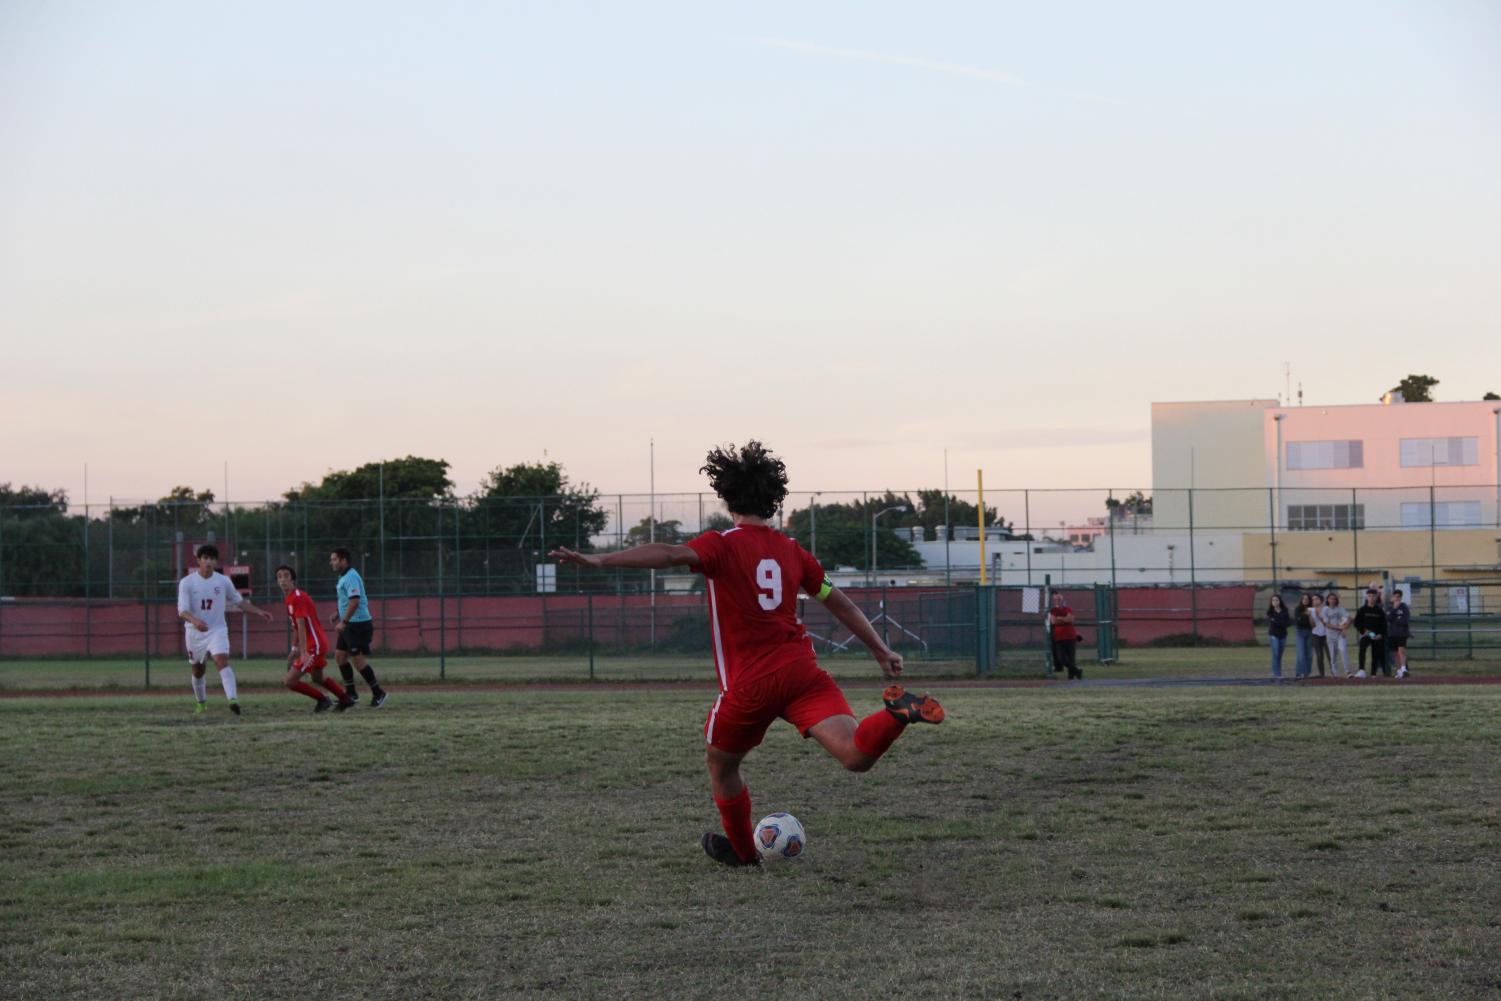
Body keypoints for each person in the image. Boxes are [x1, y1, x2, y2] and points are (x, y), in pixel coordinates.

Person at [548, 441, 944, 868]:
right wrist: (881, 650)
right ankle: (895, 714)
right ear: (772, 500)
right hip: (801, 674)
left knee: (721, 766)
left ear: (727, 496)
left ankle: (743, 853)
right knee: (854, 756)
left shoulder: (721, 544)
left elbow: (670, 553)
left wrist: (601, 560)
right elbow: (838, 600)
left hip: (750, 686)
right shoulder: (794, 551)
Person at [177, 544, 273, 714]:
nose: (208, 562)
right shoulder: (187, 583)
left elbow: (239, 601)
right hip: (194, 633)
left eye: (212, 559)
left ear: (216, 562)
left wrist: (258, 611)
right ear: (198, 561)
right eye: (205, 558)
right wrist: (195, 621)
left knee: (221, 660)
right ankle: (201, 703)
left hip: (217, 630)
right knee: (198, 670)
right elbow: (182, 611)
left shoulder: (223, 581)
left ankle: (233, 700)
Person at [277, 565, 355, 712]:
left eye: (286, 576)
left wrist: (304, 652)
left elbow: (301, 625)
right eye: (279, 577)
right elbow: (296, 626)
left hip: (315, 646)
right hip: (316, 643)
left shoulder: (297, 598)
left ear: (293, 580)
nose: (282, 580)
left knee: (290, 681)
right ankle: (345, 699)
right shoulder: (289, 599)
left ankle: (323, 700)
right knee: (317, 677)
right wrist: (294, 648)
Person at [329, 548, 389, 708]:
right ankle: (351, 694)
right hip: (349, 624)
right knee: (340, 657)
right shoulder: (343, 577)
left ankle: (379, 693)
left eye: (334, 559)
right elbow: (347, 599)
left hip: (358, 625)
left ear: (343, 560)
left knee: (357, 659)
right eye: (331, 559)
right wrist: (338, 613)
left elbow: (355, 602)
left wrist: (344, 622)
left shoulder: (351, 577)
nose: (331, 562)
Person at [1352, 588, 1388, 678]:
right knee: (1362, 649)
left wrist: (1380, 634)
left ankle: (1373, 673)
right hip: (1366, 635)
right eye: (1369, 596)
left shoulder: (1380, 611)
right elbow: (1357, 622)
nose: (1371, 598)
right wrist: (1363, 631)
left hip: (1376, 636)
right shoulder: (1362, 609)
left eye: (1373, 596)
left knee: (1375, 653)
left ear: (1376, 597)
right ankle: (1361, 670)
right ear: (1366, 597)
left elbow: (1384, 624)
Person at [1047, 591, 1081, 680]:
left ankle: (1071, 676)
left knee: (1071, 657)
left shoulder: (1068, 609)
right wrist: (1064, 619)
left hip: (1070, 636)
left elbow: (1071, 619)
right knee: (1061, 658)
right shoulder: (1053, 610)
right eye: (1055, 599)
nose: (1057, 601)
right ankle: (1077, 671)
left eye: (1059, 599)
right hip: (1059, 638)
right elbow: (1053, 621)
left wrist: (1060, 618)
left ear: (1062, 600)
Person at [1321, 591, 1350, 678]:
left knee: (1343, 650)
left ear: (1336, 600)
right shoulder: (1325, 610)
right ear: (1327, 600)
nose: (1332, 600)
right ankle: (1335, 674)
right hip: (1330, 636)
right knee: (1333, 655)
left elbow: (1347, 619)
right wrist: (1339, 628)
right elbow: (1326, 624)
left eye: (1334, 598)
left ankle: (1347, 671)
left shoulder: (1340, 609)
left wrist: (1344, 629)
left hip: (1340, 635)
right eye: (1330, 598)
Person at [1387, 588, 1412, 679]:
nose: (1396, 598)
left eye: (1398, 597)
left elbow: (1405, 621)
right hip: (1392, 634)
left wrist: (1396, 621)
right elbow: (1388, 618)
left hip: (1401, 633)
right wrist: (1394, 609)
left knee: (1401, 650)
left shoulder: (1404, 607)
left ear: (1401, 598)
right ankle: (1399, 671)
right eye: (1395, 596)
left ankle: (1404, 669)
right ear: (1392, 597)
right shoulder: (1390, 608)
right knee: (1395, 653)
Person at [1266, 594, 1291, 679]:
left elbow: (1287, 623)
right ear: (1271, 602)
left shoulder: (1285, 611)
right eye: (1273, 600)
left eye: (1276, 600)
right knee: (1276, 653)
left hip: (1283, 635)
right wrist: (1281, 622)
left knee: (1279, 655)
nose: (1275, 602)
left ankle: (1275, 672)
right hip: (1273, 635)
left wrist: (1277, 621)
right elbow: (1273, 625)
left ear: (1280, 601)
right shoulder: (1270, 613)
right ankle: (1278, 674)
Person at [1293, 593, 1315, 679]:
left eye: (1307, 599)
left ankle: (1307, 673)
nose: (1305, 600)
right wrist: (1307, 617)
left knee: (1309, 654)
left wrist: (1308, 617)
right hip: (1300, 633)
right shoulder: (1298, 609)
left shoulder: (1312, 609)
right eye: (1304, 599)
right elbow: (1298, 622)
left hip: (1310, 633)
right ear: (1301, 600)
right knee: (1301, 654)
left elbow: (1314, 624)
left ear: (1309, 600)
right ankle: (1299, 673)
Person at [1309, 593, 1329, 677]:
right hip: (1316, 635)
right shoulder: (1310, 610)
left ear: (1321, 600)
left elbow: (1327, 624)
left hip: (1327, 635)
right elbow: (1312, 626)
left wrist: (1319, 615)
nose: (1314, 601)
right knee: (1319, 656)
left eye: (1316, 599)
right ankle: (1322, 675)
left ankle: (1334, 673)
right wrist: (1310, 616)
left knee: (1330, 655)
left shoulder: (1327, 609)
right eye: (1313, 599)